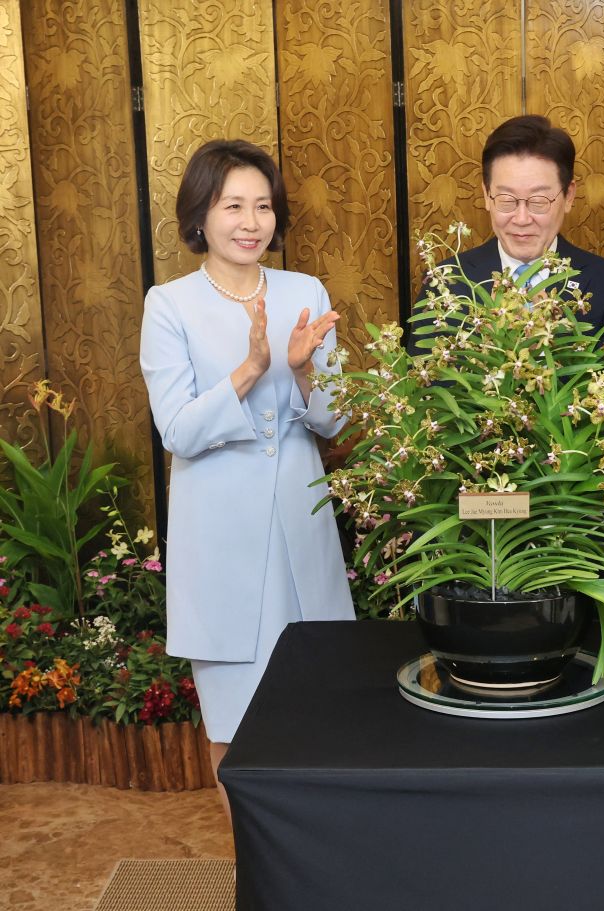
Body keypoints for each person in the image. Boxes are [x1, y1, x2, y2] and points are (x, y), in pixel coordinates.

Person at [140, 139, 354, 817]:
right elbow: (177, 428)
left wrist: (299, 370)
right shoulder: (168, 304)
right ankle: (251, 867)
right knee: (233, 721)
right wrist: (250, 367)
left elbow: (333, 418)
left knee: (319, 711)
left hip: (301, 528)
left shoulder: (304, 291)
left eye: (262, 205)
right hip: (221, 540)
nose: (250, 220)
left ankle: (313, 867)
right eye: (233, 205)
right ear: (200, 215)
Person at [447, 113, 604, 330]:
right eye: (507, 200)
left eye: (539, 201)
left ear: (568, 196)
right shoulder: (448, 282)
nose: (521, 219)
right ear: (486, 195)